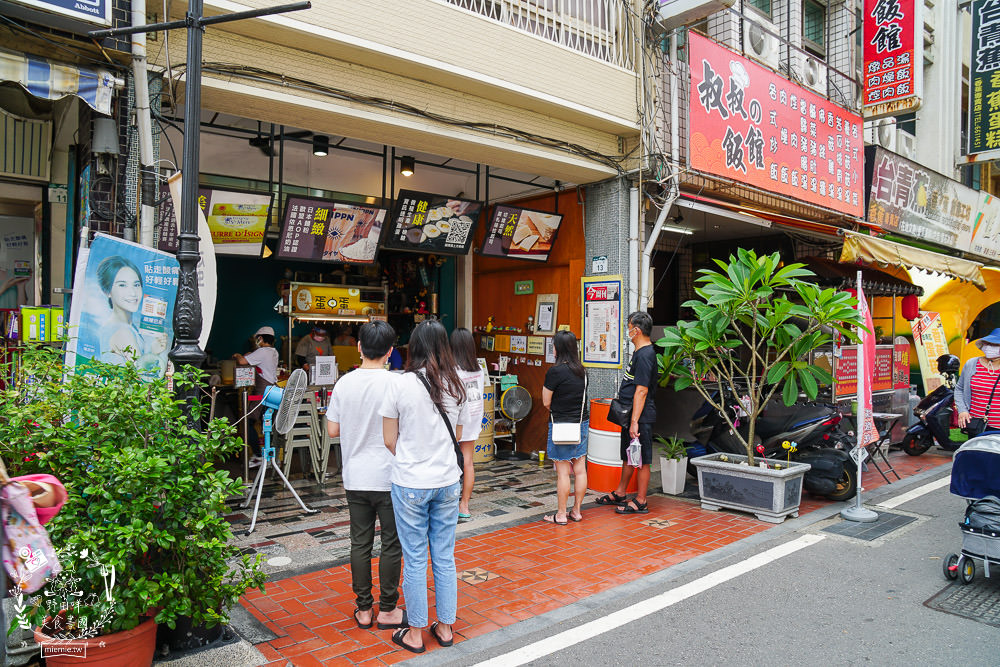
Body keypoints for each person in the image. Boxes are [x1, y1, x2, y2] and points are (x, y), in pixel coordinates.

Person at [380, 319, 470, 653]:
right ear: (444, 345)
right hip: (448, 481)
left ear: (414, 346)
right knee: (444, 557)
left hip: (410, 483)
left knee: (415, 558)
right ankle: (445, 628)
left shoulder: (399, 385)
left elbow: (390, 440)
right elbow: (457, 437)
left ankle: (415, 633)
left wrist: (412, 452)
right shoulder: (457, 383)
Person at [326, 321, 406, 631]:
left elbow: (333, 429)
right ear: (390, 352)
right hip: (389, 476)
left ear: (359, 347)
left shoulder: (345, 383)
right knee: (391, 543)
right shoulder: (397, 383)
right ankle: (387, 608)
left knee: (359, 543)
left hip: (355, 476)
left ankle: (363, 609)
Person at [595, 311, 657, 515]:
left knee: (642, 459)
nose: (627, 331)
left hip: (641, 417)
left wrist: (635, 422)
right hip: (633, 415)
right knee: (629, 455)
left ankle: (641, 501)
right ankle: (621, 492)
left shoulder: (646, 354)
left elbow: (642, 390)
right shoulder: (639, 353)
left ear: (636, 330)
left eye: (629, 327)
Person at [541, 330, 589, 525]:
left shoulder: (555, 371)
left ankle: (561, 514)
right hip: (581, 424)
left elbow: (546, 401)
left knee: (563, 471)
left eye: (553, 345)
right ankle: (576, 511)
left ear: (559, 348)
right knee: (580, 469)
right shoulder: (582, 371)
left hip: (561, 425)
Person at [233, 326, 280, 466]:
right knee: (269, 425)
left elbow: (242, 362)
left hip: (262, 392)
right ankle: (272, 457)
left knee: (248, 422)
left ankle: (259, 456)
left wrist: (237, 355)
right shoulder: (273, 351)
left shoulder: (262, 351)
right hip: (273, 391)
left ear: (260, 338)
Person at [450, 327, 484, 520]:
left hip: (456, 421)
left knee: (451, 462)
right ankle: (465, 505)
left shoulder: (453, 370)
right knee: (468, 462)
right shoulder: (477, 369)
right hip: (474, 418)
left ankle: (449, 502)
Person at [96, 256, 146, 363]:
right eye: (122, 285)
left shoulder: (114, 325)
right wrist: (155, 353)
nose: (133, 293)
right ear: (107, 291)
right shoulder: (123, 332)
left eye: (136, 285)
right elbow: (144, 375)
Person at [956, 328, 1000, 435]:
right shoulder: (972, 364)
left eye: (995, 345)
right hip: (976, 425)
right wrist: (962, 410)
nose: (990, 347)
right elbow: (959, 389)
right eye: (988, 343)